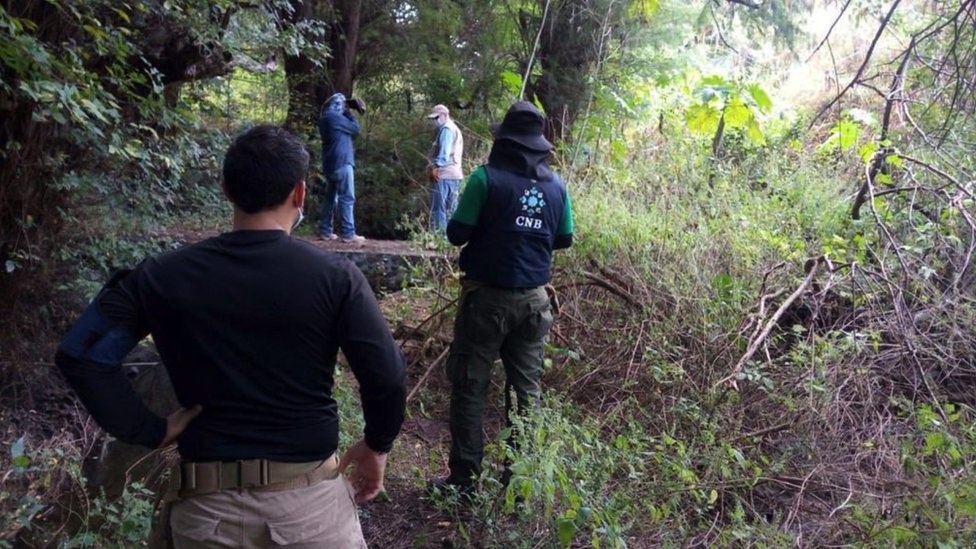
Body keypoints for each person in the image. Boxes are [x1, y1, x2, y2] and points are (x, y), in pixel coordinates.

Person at [55, 125, 406, 548]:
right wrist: (376, 445)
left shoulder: (162, 277)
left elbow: (83, 355)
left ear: (226, 189)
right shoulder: (337, 279)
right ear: (300, 194)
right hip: (312, 509)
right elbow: (385, 375)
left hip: (207, 514)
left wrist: (148, 429)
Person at [433, 101, 574, 492]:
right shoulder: (557, 186)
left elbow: (456, 233)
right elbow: (564, 239)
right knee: (525, 394)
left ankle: (464, 483)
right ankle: (516, 487)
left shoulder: (484, 179)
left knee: (470, 388)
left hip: (486, 303)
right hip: (534, 305)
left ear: (504, 141)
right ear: (540, 145)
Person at [318, 92, 367, 244]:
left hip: (329, 164)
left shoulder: (324, 119)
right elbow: (356, 129)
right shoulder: (336, 118)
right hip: (343, 163)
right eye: (343, 104)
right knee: (347, 198)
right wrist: (348, 112)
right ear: (338, 105)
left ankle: (325, 231)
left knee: (330, 198)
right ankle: (348, 234)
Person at [426, 104, 464, 232]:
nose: (435, 121)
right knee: (451, 210)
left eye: (436, 118)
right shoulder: (455, 129)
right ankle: (450, 240)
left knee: (439, 208)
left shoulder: (447, 130)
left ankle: (439, 238)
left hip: (445, 173)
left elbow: (445, 153)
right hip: (455, 174)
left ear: (444, 115)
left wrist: (436, 167)